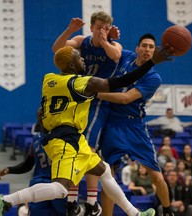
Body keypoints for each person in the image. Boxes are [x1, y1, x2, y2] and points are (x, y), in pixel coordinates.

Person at [0, 44, 173, 216]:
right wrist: (152, 62)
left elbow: (40, 111)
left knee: (105, 170)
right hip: (65, 141)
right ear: (71, 64)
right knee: (60, 189)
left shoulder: (49, 79)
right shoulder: (80, 83)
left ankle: (135, 214)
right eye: (79, 57)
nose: (83, 59)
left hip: (73, 139)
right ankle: (4, 201)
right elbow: (122, 81)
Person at [52, 11, 122, 214]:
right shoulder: (82, 41)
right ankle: (73, 200)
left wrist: (107, 40)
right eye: (99, 27)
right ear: (91, 27)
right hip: (76, 97)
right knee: (76, 149)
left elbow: (116, 55)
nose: (102, 31)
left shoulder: (113, 45)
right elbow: (57, 49)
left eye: (106, 28)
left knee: (88, 149)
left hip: (97, 101)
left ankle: (90, 202)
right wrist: (69, 30)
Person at [97, 34, 174, 216]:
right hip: (112, 125)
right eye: (144, 46)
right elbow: (111, 51)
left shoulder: (154, 77)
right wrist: (108, 36)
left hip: (135, 127)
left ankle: (168, 210)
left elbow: (125, 99)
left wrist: (96, 93)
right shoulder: (127, 56)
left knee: (156, 175)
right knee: (108, 177)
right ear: (137, 48)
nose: (147, 50)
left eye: (151, 47)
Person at [0, 108, 67, 216]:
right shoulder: (63, 136)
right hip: (57, 185)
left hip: (39, 186)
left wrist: (9, 170)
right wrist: (9, 169)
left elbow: (27, 165)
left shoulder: (36, 139)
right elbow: (28, 164)